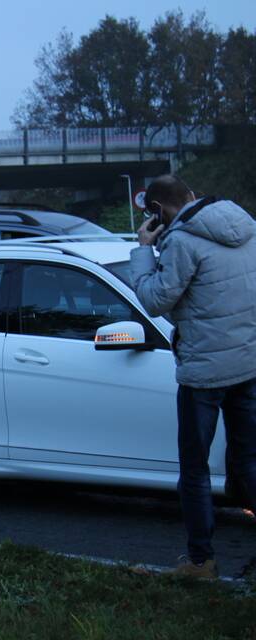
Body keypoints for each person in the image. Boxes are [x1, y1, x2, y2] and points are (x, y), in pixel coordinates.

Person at [130, 174, 256, 579]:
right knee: (248, 461)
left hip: (204, 373)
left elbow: (153, 299)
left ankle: (200, 562)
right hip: (248, 362)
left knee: (195, 469)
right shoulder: (246, 226)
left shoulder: (182, 242)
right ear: (192, 196)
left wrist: (144, 250)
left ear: (156, 211)